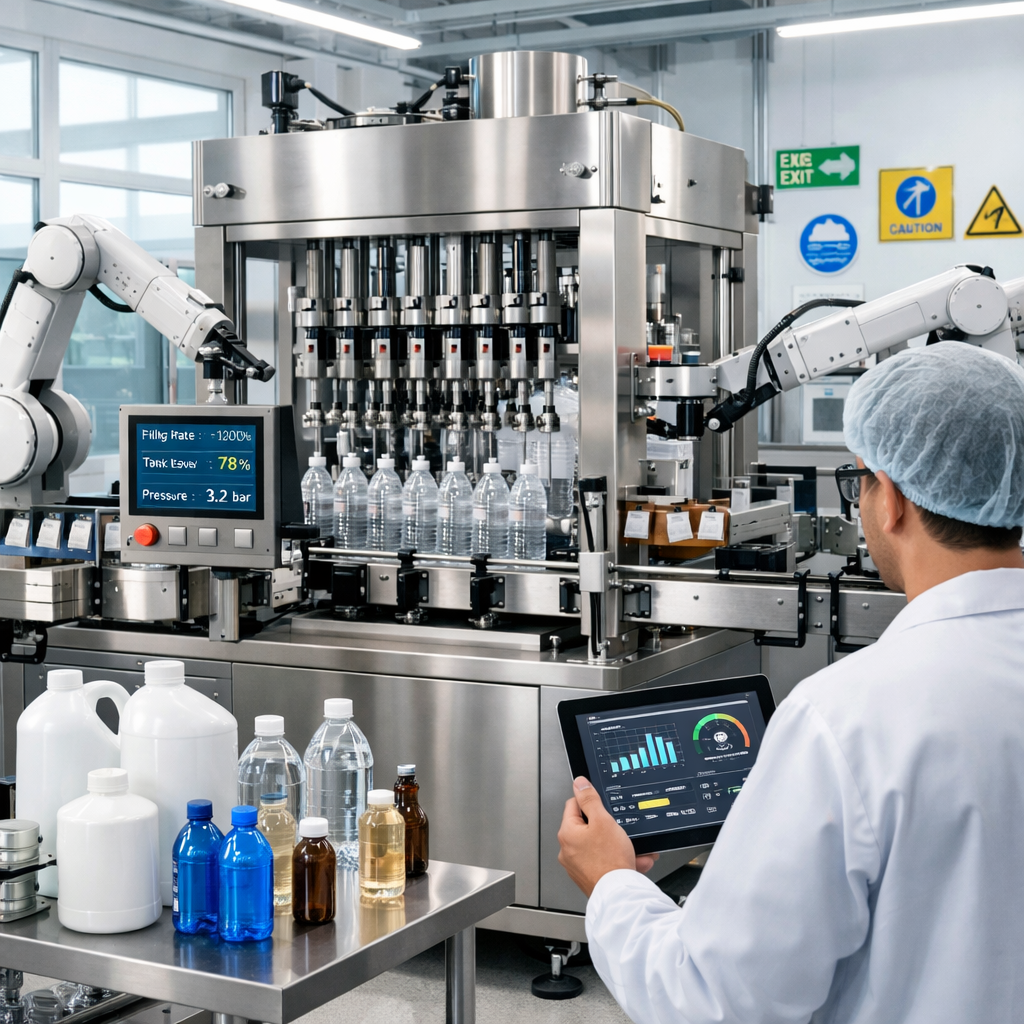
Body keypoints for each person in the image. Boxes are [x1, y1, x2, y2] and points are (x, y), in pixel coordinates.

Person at [558, 341, 1024, 1024]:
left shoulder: (847, 719)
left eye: (858, 480)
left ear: (889, 499)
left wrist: (611, 885)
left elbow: (716, 1001)